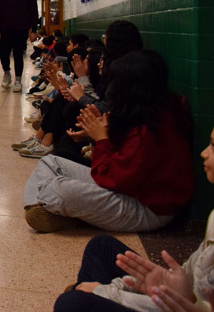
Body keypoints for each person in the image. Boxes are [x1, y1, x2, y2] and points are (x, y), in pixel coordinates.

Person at [23, 50, 194, 233]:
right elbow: (120, 162)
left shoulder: (155, 127)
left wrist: (101, 138)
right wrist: (100, 131)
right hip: (129, 191)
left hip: (147, 209)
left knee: (58, 189)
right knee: (49, 162)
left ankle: (63, 210)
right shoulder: (150, 112)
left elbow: (113, 179)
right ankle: (45, 208)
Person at [54, 126, 214, 311]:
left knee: (72, 303)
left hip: (147, 209)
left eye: (212, 145)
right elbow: (185, 280)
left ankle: (82, 295)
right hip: (183, 301)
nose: (204, 153)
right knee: (101, 246)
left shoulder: (149, 131)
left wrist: (104, 292)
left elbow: (116, 179)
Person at [0, 0, 39, 92]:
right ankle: (7, 74)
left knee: (18, 55)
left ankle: (18, 80)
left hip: (21, 31)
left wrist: (34, 31)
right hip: (5, 31)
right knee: (3, 54)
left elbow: (34, 15)